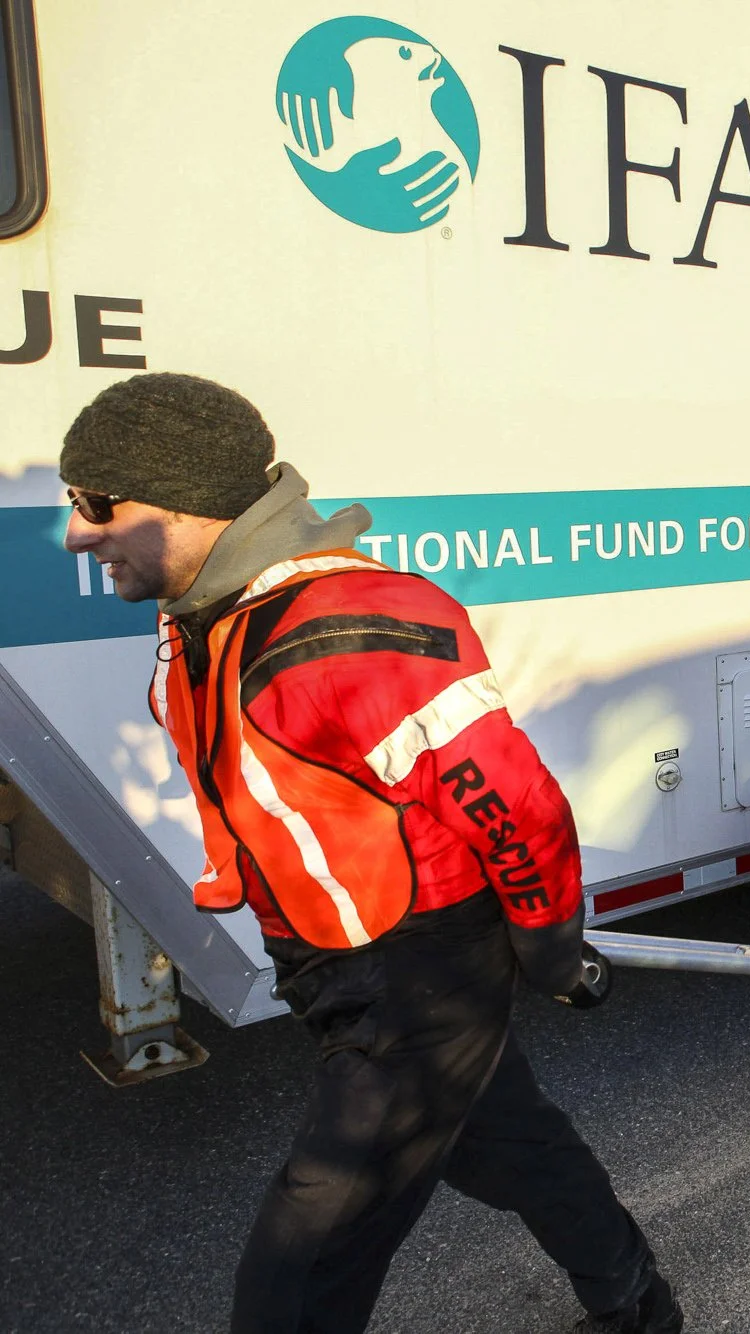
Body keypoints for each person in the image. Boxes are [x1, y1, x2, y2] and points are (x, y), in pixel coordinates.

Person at [58, 374, 680, 1334]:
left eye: (96, 504)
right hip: (333, 962)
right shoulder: (206, 619)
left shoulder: (341, 629)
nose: (76, 534)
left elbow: (514, 805)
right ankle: (635, 1299)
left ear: (183, 499)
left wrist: (552, 942)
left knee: (301, 1268)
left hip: (416, 976)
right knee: (503, 1144)